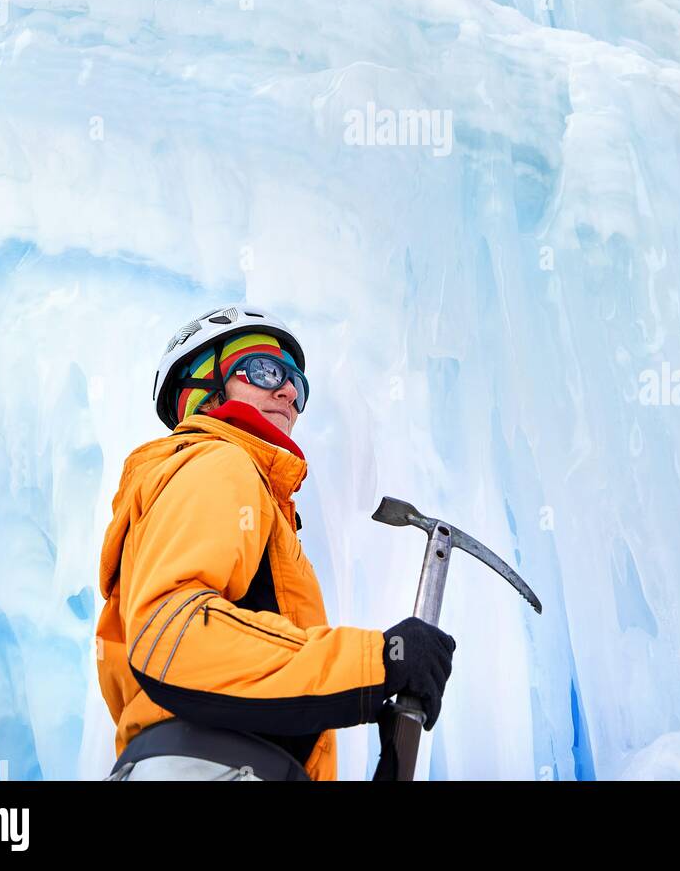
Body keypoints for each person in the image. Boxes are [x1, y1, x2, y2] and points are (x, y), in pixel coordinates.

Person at [95, 307, 456, 780]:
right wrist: (378, 661)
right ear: (202, 387)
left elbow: (256, 697)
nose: (288, 391)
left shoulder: (249, 496)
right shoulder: (217, 462)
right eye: (266, 371)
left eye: (298, 386)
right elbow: (175, 634)